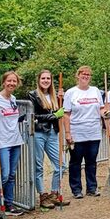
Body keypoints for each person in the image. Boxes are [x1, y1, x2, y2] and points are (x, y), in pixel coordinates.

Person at [0, 71, 26, 219]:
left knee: (12, 175)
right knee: (5, 174)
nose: (11, 84)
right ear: (3, 82)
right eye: (9, 81)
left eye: (14, 81)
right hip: (2, 142)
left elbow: (12, 119)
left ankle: (9, 204)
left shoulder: (13, 99)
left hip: (15, 140)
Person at [63, 66, 105, 199]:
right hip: (77, 132)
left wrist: (106, 113)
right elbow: (66, 114)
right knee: (75, 162)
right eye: (83, 74)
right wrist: (68, 133)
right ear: (78, 75)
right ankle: (76, 189)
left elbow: (101, 108)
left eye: (88, 74)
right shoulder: (71, 92)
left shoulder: (95, 91)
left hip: (93, 132)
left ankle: (92, 188)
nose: (86, 76)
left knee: (91, 161)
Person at [28, 70, 68, 209]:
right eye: (43, 78)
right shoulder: (33, 95)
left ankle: (54, 193)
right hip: (39, 132)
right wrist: (54, 116)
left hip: (52, 133)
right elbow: (34, 116)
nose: (46, 80)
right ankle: (42, 196)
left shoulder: (54, 96)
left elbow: (60, 111)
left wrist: (61, 102)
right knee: (39, 166)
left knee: (61, 165)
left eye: (48, 78)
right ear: (39, 80)